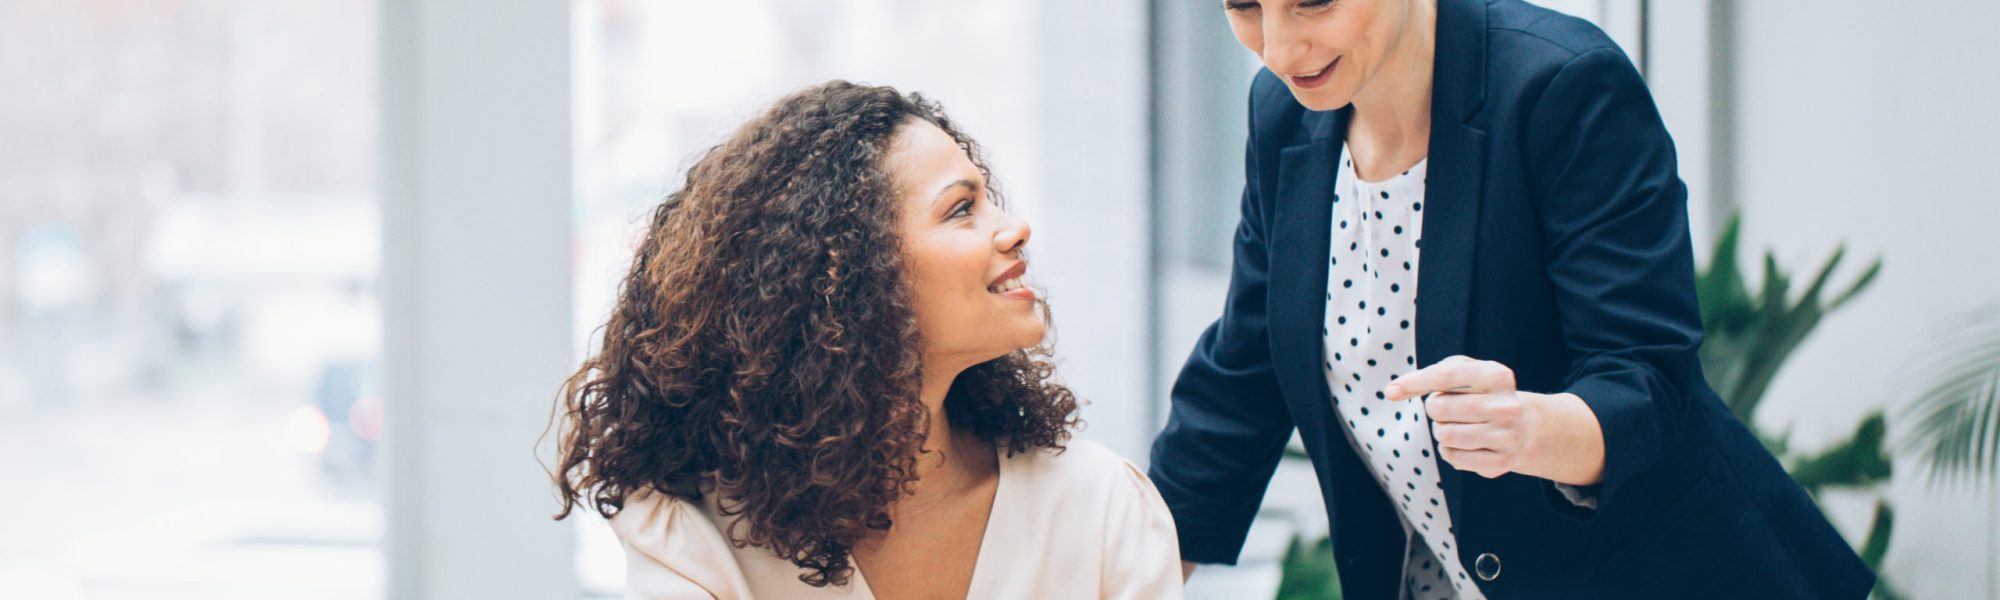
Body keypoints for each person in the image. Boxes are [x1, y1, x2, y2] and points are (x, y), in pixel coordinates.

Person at [1147, 1, 1874, 598]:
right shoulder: (1281, 114)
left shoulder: (1562, 83)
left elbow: (1646, 376)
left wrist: (1532, 429)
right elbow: (1240, 376)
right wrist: (1127, 573)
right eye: (1244, 5)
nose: (1278, 46)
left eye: (1314, 2)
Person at [551, 81, 1182, 600]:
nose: (1016, 229)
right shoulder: (695, 531)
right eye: (961, 209)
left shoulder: (1101, 508)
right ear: (849, 273)